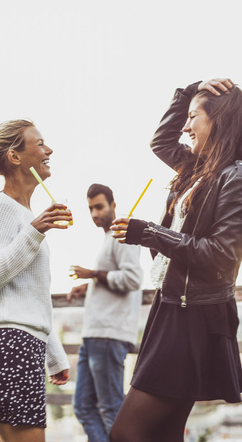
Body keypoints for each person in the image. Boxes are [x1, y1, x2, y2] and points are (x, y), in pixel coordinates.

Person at [109, 78, 242, 442]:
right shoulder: (197, 167)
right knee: (165, 433)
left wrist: (149, 233)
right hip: (170, 305)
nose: (185, 127)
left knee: (126, 433)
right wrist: (191, 89)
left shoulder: (236, 177)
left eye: (193, 117)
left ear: (218, 120)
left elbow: (220, 256)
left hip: (194, 315)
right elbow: (161, 142)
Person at [0, 119, 70, 442]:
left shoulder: (26, 216)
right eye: (39, 144)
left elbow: (30, 297)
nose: (48, 150)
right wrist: (35, 231)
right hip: (9, 346)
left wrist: (54, 356)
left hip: (23, 346)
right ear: (15, 157)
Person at [67, 183, 143, 442]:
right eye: (90, 208)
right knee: (83, 408)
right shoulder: (108, 237)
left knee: (111, 409)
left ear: (113, 205)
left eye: (99, 206)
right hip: (94, 334)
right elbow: (111, 276)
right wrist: (88, 284)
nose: (94, 214)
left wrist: (93, 274)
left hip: (109, 335)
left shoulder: (123, 234)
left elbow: (132, 279)